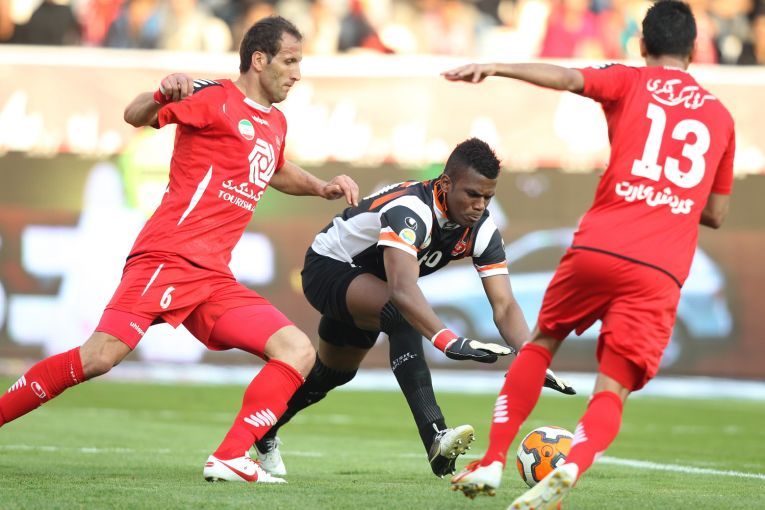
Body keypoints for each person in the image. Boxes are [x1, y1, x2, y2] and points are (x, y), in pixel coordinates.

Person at [0, 16, 360, 485]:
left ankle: (230, 456)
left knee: (296, 349)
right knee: (98, 358)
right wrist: (160, 93)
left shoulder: (275, 122)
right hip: (169, 258)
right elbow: (135, 115)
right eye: (290, 61)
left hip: (213, 278)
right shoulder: (212, 97)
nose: (297, 73)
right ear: (259, 59)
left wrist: (321, 186)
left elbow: (274, 168)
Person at [443, 1, 735, 508]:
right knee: (612, 388)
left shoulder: (630, 80)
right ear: (694, 48)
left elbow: (565, 77)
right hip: (660, 268)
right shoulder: (721, 118)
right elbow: (715, 214)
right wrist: (673, 197)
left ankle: (492, 460)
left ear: (641, 44)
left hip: (600, 244)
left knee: (541, 344)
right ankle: (572, 465)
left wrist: (496, 66)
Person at [251, 138, 576, 479]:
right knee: (401, 313)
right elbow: (402, 290)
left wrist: (530, 355)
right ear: (446, 184)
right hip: (328, 267)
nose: (480, 206)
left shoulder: (482, 228)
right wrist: (448, 340)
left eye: (487, 197)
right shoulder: (412, 209)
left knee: (333, 374)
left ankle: (264, 428)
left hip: (371, 283)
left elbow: (505, 305)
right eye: (472, 194)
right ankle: (435, 435)